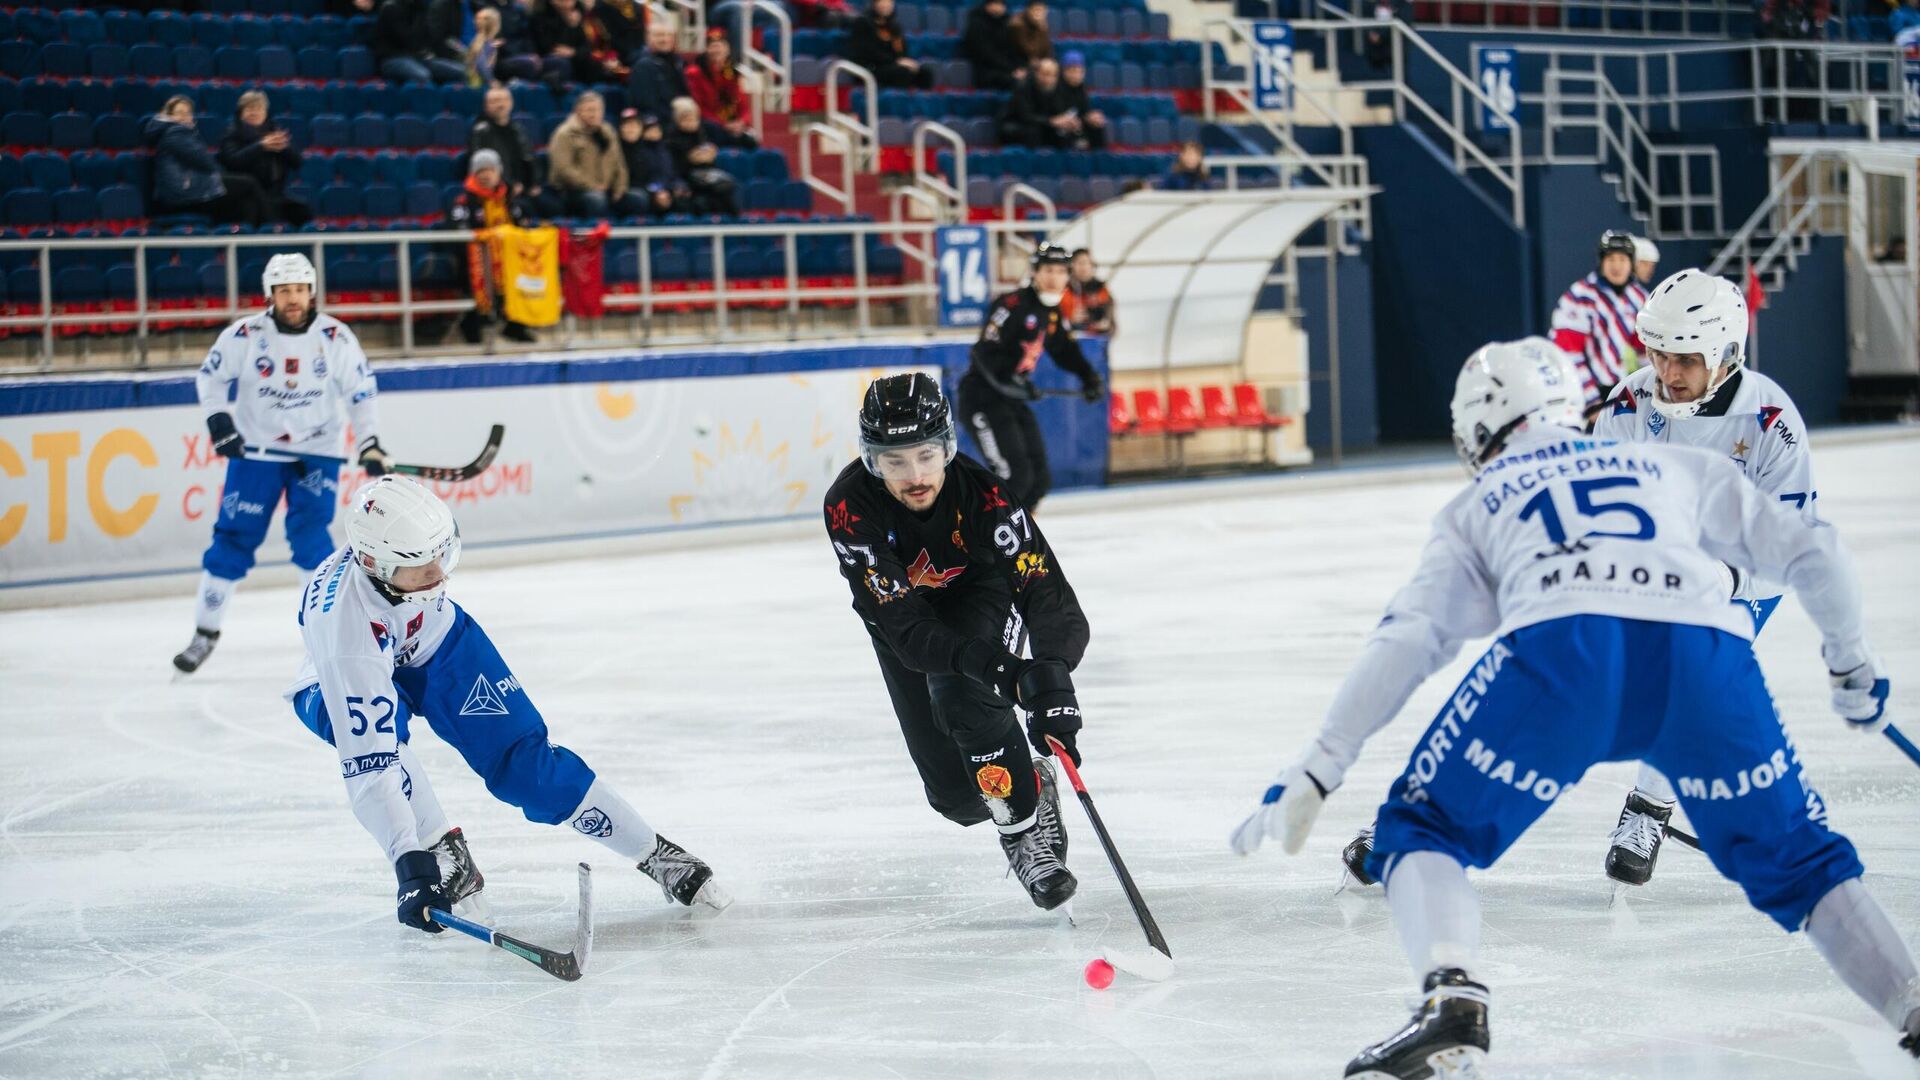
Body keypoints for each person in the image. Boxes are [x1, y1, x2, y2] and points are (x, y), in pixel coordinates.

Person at [1229, 336, 1919, 1075]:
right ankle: (1910, 1006)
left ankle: (1452, 999)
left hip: (1564, 659)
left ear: (1476, 433)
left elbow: (1410, 638)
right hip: (1705, 659)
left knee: (1418, 830)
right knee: (1803, 863)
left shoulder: (1480, 502)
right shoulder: (1678, 464)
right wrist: (1854, 668)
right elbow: (1815, 552)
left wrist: (1321, 766)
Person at [1337, 271, 1821, 891]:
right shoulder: (1626, 407)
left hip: (1734, 585)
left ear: (1728, 355)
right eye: (1659, 354)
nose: (1668, 373)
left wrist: (1721, 577)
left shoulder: (1774, 426)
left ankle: (1647, 807)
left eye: (1686, 360)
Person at [289, 475, 730, 938]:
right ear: (377, 565)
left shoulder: (403, 561)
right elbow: (371, 765)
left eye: (442, 556)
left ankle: (657, 854)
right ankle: (442, 851)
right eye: (423, 569)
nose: (440, 576)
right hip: (336, 678)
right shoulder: (346, 637)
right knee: (384, 743)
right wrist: (409, 863)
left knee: (530, 768)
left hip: (433, 643)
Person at [820, 373, 1088, 911]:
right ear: (872, 461)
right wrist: (1005, 673)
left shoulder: (985, 495)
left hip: (981, 597)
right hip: (906, 627)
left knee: (963, 697)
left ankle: (1023, 837)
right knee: (958, 799)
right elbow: (908, 630)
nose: (914, 475)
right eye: (894, 460)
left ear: (946, 447)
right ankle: (1029, 782)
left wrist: (1051, 674)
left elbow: (1045, 591)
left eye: (924, 455)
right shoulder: (849, 508)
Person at [172, 254, 387, 675]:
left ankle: (329, 636)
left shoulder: (335, 337)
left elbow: (361, 393)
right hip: (257, 454)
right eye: (284, 291)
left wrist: (370, 442)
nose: (293, 298)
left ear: (312, 292)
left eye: (300, 290)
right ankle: (205, 633)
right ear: (270, 294)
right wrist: (220, 422)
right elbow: (210, 377)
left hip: (316, 454)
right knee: (234, 538)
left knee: (311, 541)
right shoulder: (247, 334)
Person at [957, 243, 1104, 511]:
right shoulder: (1012, 305)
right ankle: (982, 537)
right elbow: (984, 352)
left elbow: (1064, 349)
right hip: (982, 397)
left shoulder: (1051, 312)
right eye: (1048, 269)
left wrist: (1089, 377)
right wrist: (1009, 380)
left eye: (1061, 271)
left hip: (1011, 399)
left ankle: (1019, 541)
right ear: (1035, 272)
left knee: (1039, 479)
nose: (1054, 277)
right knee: (1013, 477)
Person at [1550, 229, 1647, 409]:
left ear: (1631, 263)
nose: (1616, 266)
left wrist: (1652, 387)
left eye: (1622, 259)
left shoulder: (1637, 297)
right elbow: (1568, 352)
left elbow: (1647, 349)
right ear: (1601, 262)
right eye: (1611, 259)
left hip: (1616, 390)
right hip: (1579, 393)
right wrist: (1590, 399)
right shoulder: (1579, 297)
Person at [448, 149, 536, 344]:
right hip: (475, 261)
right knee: (477, 271)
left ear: (499, 173)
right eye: (481, 171)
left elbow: (522, 228)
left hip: (508, 260)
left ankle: (516, 326)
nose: (486, 175)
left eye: (490, 170)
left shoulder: (510, 200)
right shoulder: (463, 202)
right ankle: (472, 325)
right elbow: (457, 231)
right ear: (473, 174)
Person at [146, 96, 270, 226]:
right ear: (169, 115)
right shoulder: (175, 132)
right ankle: (273, 228)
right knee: (249, 183)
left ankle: (249, 236)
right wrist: (222, 174)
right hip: (184, 191)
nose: (184, 117)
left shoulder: (181, 132)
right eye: (179, 113)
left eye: (188, 113)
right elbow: (205, 161)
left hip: (190, 186)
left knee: (245, 199)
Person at [217, 91, 311, 227]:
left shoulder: (274, 131)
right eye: (249, 108)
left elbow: (298, 162)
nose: (254, 113)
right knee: (259, 211)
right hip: (246, 196)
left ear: (266, 112)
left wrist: (284, 147)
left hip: (275, 193)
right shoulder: (232, 133)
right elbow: (232, 161)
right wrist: (261, 146)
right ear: (241, 112)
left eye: (259, 108)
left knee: (302, 209)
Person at [466, 85, 548, 215]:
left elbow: (530, 158)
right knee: (524, 209)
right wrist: (509, 186)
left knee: (553, 207)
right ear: (486, 106)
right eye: (495, 101)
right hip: (498, 192)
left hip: (524, 189)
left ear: (511, 103)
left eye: (503, 100)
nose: (500, 105)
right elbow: (481, 167)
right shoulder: (480, 132)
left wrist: (534, 184)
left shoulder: (519, 130)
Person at [545, 90, 628, 218]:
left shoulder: (608, 132)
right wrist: (592, 186)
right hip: (572, 192)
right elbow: (564, 170)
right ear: (578, 111)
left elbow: (619, 164)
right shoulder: (565, 134)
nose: (594, 114)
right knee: (596, 200)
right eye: (589, 110)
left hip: (605, 188)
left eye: (598, 110)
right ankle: (596, 235)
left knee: (638, 200)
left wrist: (619, 189)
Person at [665, 96, 741, 214]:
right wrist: (689, 159)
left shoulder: (703, 133)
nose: (691, 122)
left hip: (705, 175)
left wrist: (710, 155)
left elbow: (712, 153)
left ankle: (734, 226)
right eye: (686, 119)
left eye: (694, 118)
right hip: (685, 178)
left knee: (726, 190)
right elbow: (672, 167)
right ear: (678, 120)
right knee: (703, 200)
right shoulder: (671, 139)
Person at [684, 29, 755, 145]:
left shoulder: (732, 73)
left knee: (751, 141)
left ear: (728, 50)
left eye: (720, 46)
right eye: (712, 46)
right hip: (710, 124)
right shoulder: (695, 73)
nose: (716, 50)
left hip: (732, 123)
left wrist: (742, 121)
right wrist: (724, 124)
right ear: (706, 50)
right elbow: (699, 107)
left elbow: (743, 104)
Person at [846, 0, 934, 89]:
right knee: (902, 72)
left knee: (925, 74)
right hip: (872, 67)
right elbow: (867, 51)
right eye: (882, 2)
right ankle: (895, 100)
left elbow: (901, 51)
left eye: (889, 2)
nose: (886, 5)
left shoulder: (895, 26)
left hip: (892, 66)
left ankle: (919, 101)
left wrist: (907, 62)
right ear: (874, 4)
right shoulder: (863, 23)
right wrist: (896, 61)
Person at [375, 0, 467, 84]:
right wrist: (420, 14)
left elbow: (429, 37)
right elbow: (408, 39)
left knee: (463, 72)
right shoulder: (390, 7)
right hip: (392, 58)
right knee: (423, 76)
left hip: (418, 57)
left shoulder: (419, 6)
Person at [614, 108, 684, 217]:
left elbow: (655, 175)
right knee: (640, 198)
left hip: (647, 190)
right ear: (620, 129)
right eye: (627, 125)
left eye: (635, 125)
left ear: (640, 129)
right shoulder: (615, 149)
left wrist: (660, 190)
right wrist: (652, 193)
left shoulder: (647, 150)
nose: (631, 129)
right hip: (623, 191)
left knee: (678, 197)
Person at [998, 58, 1072, 149]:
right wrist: (1051, 121)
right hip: (1016, 124)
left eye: (1054, 75)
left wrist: (1067, 121)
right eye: (1045, 74)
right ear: (1037, 73)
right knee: (1033, 132)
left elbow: (1058, 111)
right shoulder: (1023, 87)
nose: (1049, 79)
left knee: (1065, 133)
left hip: (1042, 124)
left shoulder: (1058, 88)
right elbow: (1026, 116)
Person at [627, 19, 691, 121]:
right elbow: (647, 105)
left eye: (668, 35)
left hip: (684, 118)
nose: (665, 39)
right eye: (659, 35)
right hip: (660, 122)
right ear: (648, 38)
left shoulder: (679, 62)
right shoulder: (643, 66)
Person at [960, 0, 1023, 91]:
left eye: (1001, 4)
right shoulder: (977, 24)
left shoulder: (1006, 23)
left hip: (1006, 69)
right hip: (986, 71)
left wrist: (1018, 68)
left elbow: (1013, 50)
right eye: (996, 3)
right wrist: (1011, 70)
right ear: (988, 5)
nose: (999, 7)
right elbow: (985, 54)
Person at [1055, 51, 1107, 150]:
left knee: (1097, 125)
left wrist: (1091, 117)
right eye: (1073, 71)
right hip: (1061, 126)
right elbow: (1057, 113)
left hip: (1077, 123)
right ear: (1064, 71)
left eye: (1080, 71)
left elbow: (1084, 111)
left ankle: (1099, 160)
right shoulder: (1057, 88)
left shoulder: (1081, 89)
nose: (1077, 75)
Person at [1059, 248, 1113, 335]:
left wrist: (1106, 325)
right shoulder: (1062, 290)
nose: (1084, 267)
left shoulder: (1102, 290)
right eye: (1080, 263)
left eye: (1088, 263)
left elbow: (1112, 324)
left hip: (1096, 341)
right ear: (1071, 266)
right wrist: (1069, 321)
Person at [1007, 0, 1052, 65]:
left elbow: (1047, 49)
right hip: (1019, 63)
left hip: (1038, 61)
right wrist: (1040, 29)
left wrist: (1045, 60)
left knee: (1050, 65)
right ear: (1028, 10)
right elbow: (1024, 49)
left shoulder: (1043, 25)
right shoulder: (1017, 25)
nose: (1038, 13)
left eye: (1042, 10)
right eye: (1036, 10)